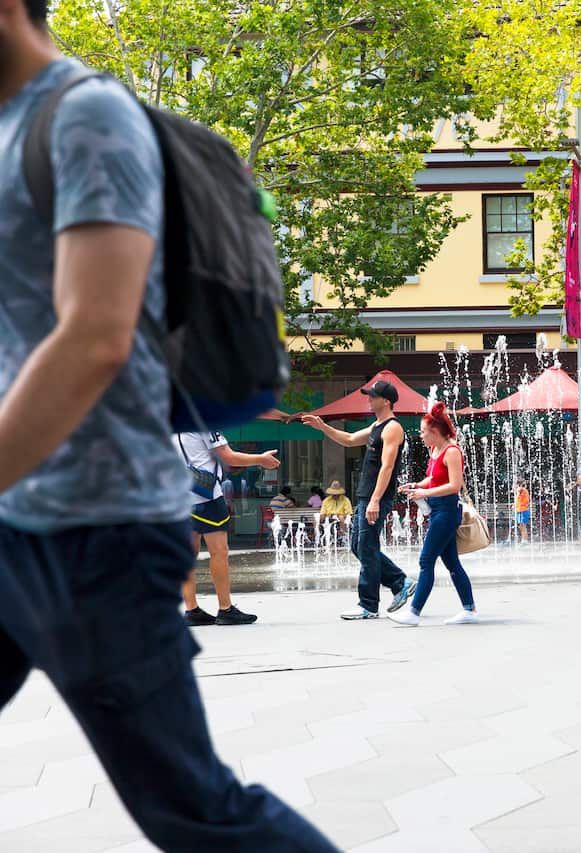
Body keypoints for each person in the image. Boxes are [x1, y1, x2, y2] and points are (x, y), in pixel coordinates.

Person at [0, 8, 337, 848]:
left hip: (96, 535)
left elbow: (94, 337)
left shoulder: (82, 115)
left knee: (194, 808)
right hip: (12, 522)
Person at [300, 379, 417, 619]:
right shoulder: (377, 426)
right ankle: (400, 582)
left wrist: (375, 500)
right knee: (359, 546)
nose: (368, 399)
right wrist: (323, 427)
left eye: (372, 396)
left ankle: (368, 604)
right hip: (365, 496)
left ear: (385, 401)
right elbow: (350, 439)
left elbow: (387, 466)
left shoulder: (392, 428)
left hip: (376, 497)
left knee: (367, 547)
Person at [176, 431, 281, 626]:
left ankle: (191, 609)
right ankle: (225, 608)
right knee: (219, 552)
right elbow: (228, 456)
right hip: (206, 497)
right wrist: (261, 459)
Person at [391, 403, 477, 626]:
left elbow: (454, 485)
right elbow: (434, 478)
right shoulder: (436, 450)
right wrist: (416, 485)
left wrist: (424, 492)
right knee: (452, 564)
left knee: (426, 560)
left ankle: (414, 612)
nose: (421, 436)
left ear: (435, 432)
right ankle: (469, 609)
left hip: (447, 512)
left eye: (423, 431)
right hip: (438, 511)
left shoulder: (452, 451)